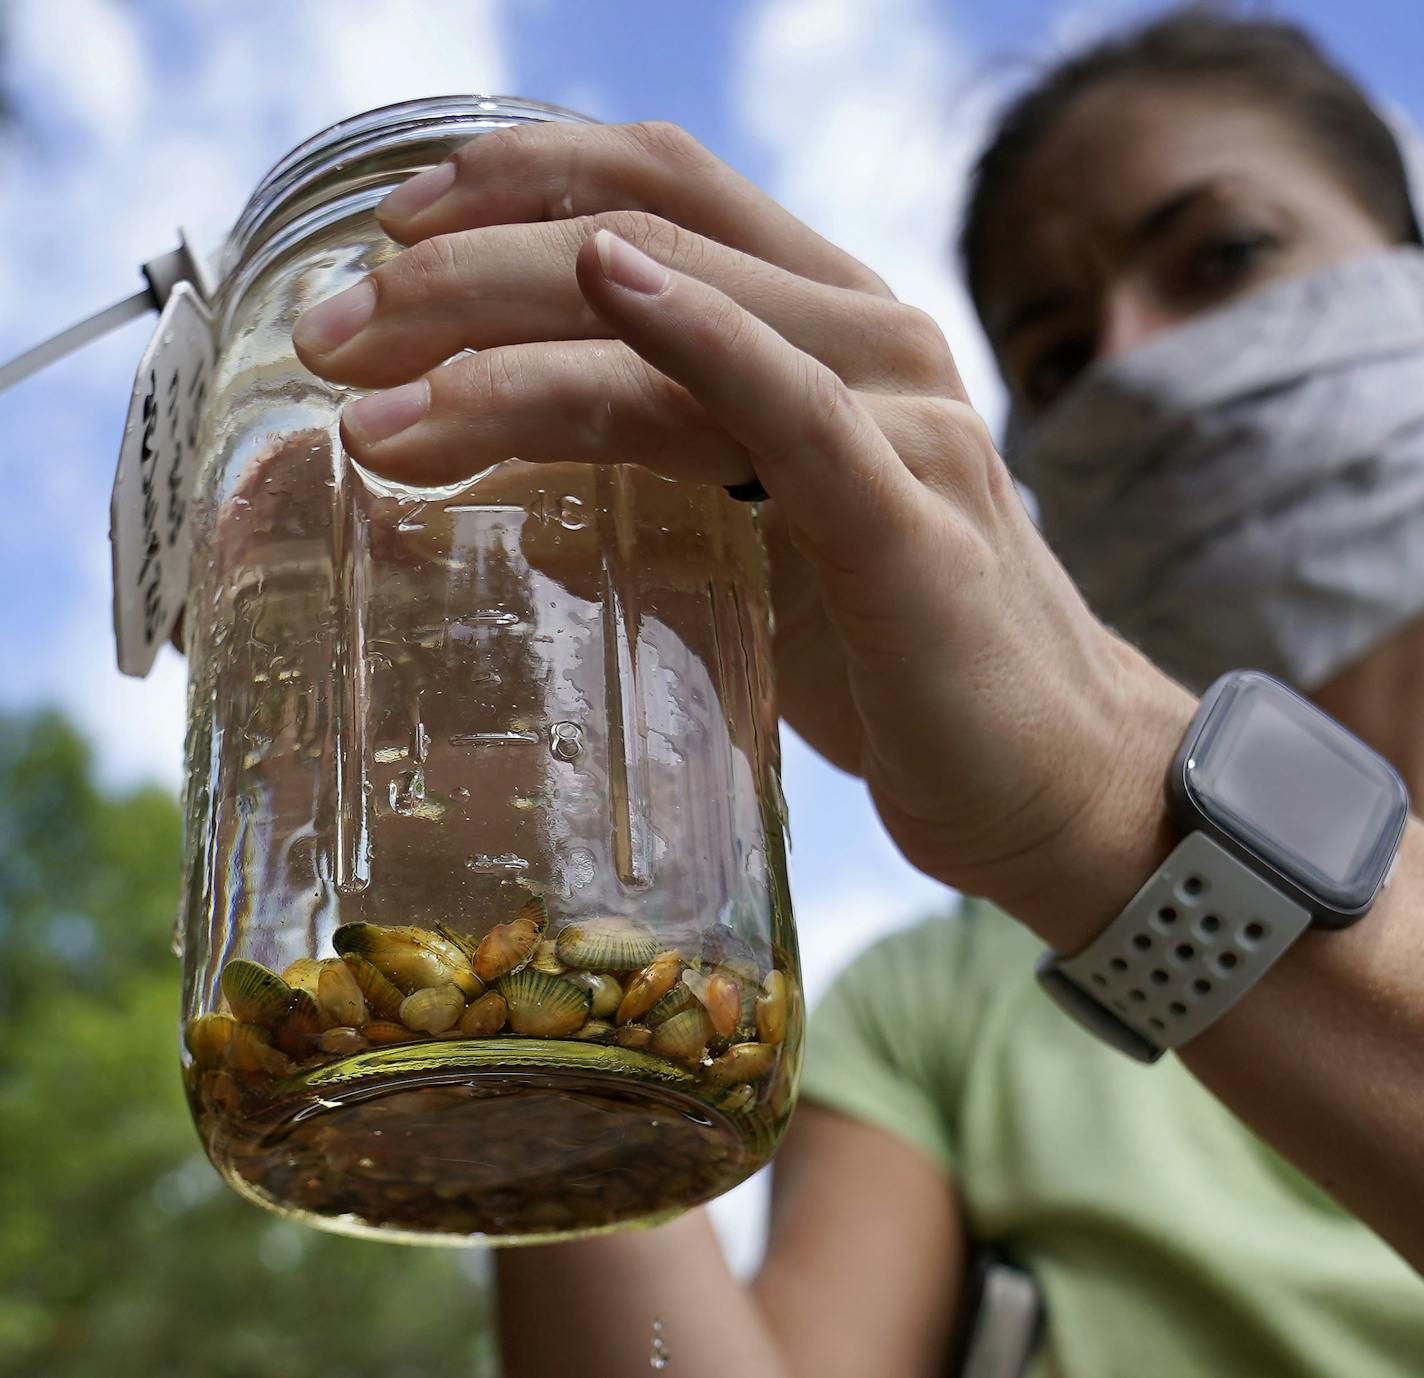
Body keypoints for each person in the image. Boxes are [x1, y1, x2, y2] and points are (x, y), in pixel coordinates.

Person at [290, 10, 1424, 1374]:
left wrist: (1115, 801)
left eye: (1223, 255)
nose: (1131, 360)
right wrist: (523, 915)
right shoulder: (946, 996)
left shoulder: (1068, 878)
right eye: (1055, 357)